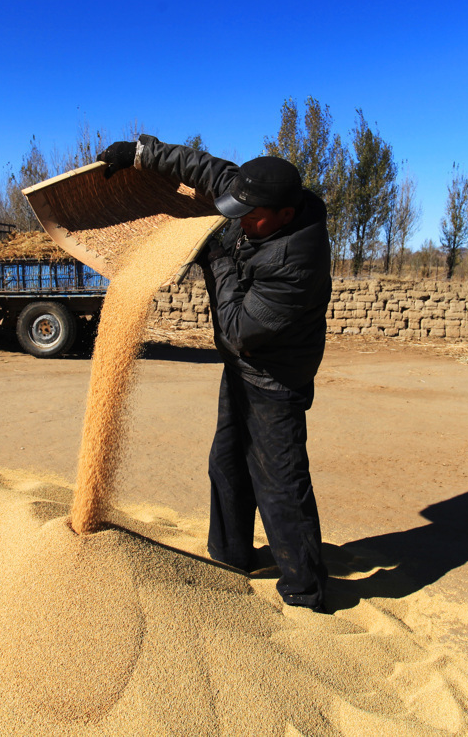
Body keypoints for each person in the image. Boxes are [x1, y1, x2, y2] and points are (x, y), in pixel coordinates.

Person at [98, 135, 333, 611]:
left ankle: (305, 589)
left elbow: (236, 330)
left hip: (275, 379)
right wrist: (141, 154)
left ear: (285, 214)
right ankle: (231, 558)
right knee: (226, 464)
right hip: (243, 370)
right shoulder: (256, 195)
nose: (240, 220)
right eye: (238, 209)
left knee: (280, 484)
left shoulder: (297, 262)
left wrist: (217, 260)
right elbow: (202, 167)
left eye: (251, 216)